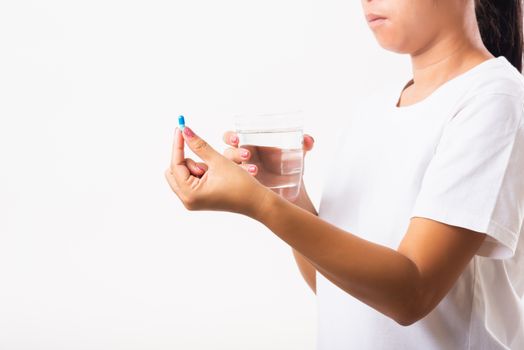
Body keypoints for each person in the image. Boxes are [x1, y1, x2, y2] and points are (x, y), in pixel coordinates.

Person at [164, 0, 524, 348]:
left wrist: (261, 205)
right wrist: (287, 196)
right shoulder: (373, 111)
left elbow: (412, 293)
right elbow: (337, 290)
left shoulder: (492, 98)